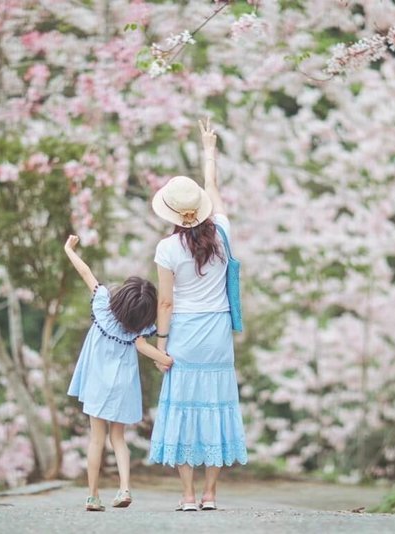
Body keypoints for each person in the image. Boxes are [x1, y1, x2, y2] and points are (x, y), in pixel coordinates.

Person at [148, 118, 248, 512]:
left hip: (186, 332)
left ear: (171, 213)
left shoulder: (167, 249)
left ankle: (187, 496)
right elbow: (214, 191)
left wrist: (160, 343)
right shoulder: (222, 233)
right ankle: (210, 495)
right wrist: (209, 151)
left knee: (184, 406)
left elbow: (166, 303)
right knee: (217, 403)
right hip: (218, 331)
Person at [64, 234, 174, 512]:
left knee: (96, 439)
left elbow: (85, 271)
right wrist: (165, 358)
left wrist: (69, 249)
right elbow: (152, 340)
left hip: (97, 384)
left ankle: (92, 496)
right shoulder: (140, 330)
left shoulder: (102, 305)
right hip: (123, 386)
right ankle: (124, 488)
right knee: (118, 439)